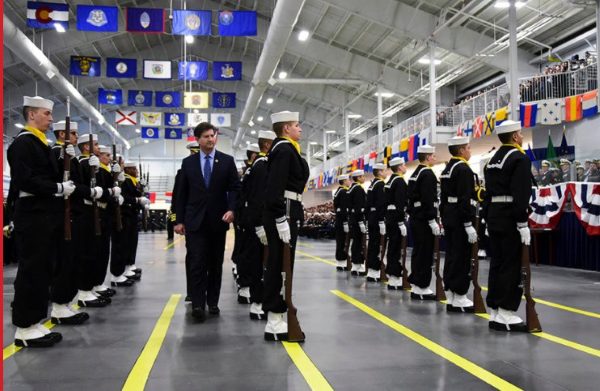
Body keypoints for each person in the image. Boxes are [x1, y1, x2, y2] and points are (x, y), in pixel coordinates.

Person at [8, 96, 72, 347]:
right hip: (32, 214)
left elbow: (46, 174)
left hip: (44, 214)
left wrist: (61, 159)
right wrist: (57, 187)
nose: (51, 119)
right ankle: (24, 327)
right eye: (46, 114)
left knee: (43, 269)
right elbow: (26, 180)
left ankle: (35, 322)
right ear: (31, 114)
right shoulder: (23, 144)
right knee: (31, 270)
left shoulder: (41, 144)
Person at [174, 122, 241, 322]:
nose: (211, 139)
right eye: (206, 136)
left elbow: (236, 189)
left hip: (218, 221)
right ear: (198, 139)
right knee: (196, 262)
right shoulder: (189, 163)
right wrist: (178, 220)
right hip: (194, 222)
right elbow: (181, 194)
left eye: (213, 135)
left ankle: (212, 302)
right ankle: (197, 303)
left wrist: (232, 209)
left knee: (215, 263)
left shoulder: (227, 161)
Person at [262, 111, 309, 341]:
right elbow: (274, 187)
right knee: (279, 262)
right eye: (296, 125)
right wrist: (280, 218)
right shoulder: (283, 149)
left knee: (284, 263)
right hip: (285, 209)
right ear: (286, 129)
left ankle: (278, 311)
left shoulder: (288, 149)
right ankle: (274, 315)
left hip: (291, 208)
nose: (300, 129)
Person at [483, 120, 532, 332]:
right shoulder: (519, 158)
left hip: (494, 216)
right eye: (520, 134)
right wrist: (522, 222)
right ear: (514, 137)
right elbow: (521, 193)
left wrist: (486, 217)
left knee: (497, 263)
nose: (521, 137)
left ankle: (494, 309)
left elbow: (486, 193)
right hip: (510, 217)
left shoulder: (492, 160)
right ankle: (506, 312)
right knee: (511, 264)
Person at [440, 136, 481, 313]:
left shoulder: (447, 168)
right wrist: (467, 223)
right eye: (468, 148)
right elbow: (465, 198)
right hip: (459, 217)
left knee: (451, 255)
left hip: (449, 216)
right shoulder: (463, 169)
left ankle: (451, 292)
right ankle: (459, 294)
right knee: (462, 256)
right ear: (461, 150)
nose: (470, 151)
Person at [238, 130, 276, 320]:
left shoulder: (257, 166)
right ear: (267, 145)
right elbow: (258, 199)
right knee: (259, 263)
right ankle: (258, 302)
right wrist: (260, 224)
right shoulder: (262, 166)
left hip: (252, 221)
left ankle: (259, 300)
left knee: (258, 261)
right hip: (258, 222)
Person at [407, 144, 440, 300]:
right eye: (433, 155)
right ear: (427, 157)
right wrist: (432, 219)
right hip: (424, 218)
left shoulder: (415, 173)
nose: (435, 158)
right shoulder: (427, 174)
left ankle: (416, 284)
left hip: (416, 217)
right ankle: (422, 286)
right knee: (425, 252)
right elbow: (428, 199)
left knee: (418, 251)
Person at [169, 141, 200, 300]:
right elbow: (177, 198)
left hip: (209, 221)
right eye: (193, 153)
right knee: (193, 257)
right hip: (192, 220)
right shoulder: (183, 172)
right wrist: (177, 220)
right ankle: (192, 291)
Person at [235, 143, 261, 304]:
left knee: (246, 250)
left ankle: (245, 286)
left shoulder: (249, 171)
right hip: (249, 217)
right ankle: (246, 286)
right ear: (254, 155)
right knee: (250, 253)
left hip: (245, 217)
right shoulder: (255, 170)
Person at [384, 157, 408, 290]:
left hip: (390, 217)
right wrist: (400, 222)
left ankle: (392, 275)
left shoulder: (390, 181)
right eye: (404, 165)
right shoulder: (399, 181)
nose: (405, 167)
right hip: (395, 218)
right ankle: (394, 275)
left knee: (392, 247)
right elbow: (400, 203)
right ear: (399, 167)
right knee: (395, 247)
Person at [366, 163, 387, 282]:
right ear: (379, 172)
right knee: (377, 245)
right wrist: (381, 220)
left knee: (372, 245)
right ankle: (375, 270)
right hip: (378, 218)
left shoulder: (372, 185)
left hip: (371, 217)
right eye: (384, 170)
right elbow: (381, 204)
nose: (386, 172)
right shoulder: (380, 185)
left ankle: (371, 271)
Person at [348, 170, 367, 276]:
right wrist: (361, 222)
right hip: (358, 219)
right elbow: (359, 207)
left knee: (355, 242)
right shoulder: (358, 189)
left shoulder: (351, 189)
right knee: (359, 243)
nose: (364, 178)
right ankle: (359, 265)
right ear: (358, 178)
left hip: (352, 219)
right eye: (363, 176)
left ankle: (355, 266)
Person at [333, 174, 351, 271]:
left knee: (340, 241)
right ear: (344, 181)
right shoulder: (344, 192)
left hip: (339, 219)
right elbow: (344, 209)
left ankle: (340, 262)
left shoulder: (338, 191)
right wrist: (345, 223)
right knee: (343, 241)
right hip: (342, 220)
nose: (349, 182)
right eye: (348, 180)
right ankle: (342, 262)